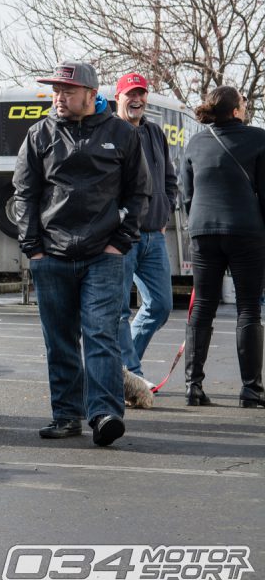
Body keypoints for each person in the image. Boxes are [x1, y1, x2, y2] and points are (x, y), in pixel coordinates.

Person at [13, 61, 150, 446]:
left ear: (92, 95)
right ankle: (66, 415)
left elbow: (138, 192)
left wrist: (119, 242)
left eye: (67, 91)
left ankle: (104, 414)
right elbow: (24, 194)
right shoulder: (39, 134)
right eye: (55, 90)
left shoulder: (122, 135)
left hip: (104, 255)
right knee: (59, 339)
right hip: (51, 255)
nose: (59, 97)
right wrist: (33, 249)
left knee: (100, 335)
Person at [179, 85, 265, 409]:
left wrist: (198, 224)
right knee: (248, 308)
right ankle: (251, 390)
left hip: (202, 231)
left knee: (202, 305)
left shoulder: (196, 142)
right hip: (246, 231)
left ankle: (193, 386)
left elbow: (187, 195)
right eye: (243, 103)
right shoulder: (258, 138)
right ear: (235, 110)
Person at [113, 72, 178, 407]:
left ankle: (123, 372)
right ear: (118, 97)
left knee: (161, 305)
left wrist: (166, 211)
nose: (136, 100)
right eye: (130, 94)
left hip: (154, 235)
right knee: (120, 309)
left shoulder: (154, 132)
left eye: (141, 94)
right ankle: (132, 376)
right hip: (124, 236)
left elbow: (169, 176)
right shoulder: (112, 131)